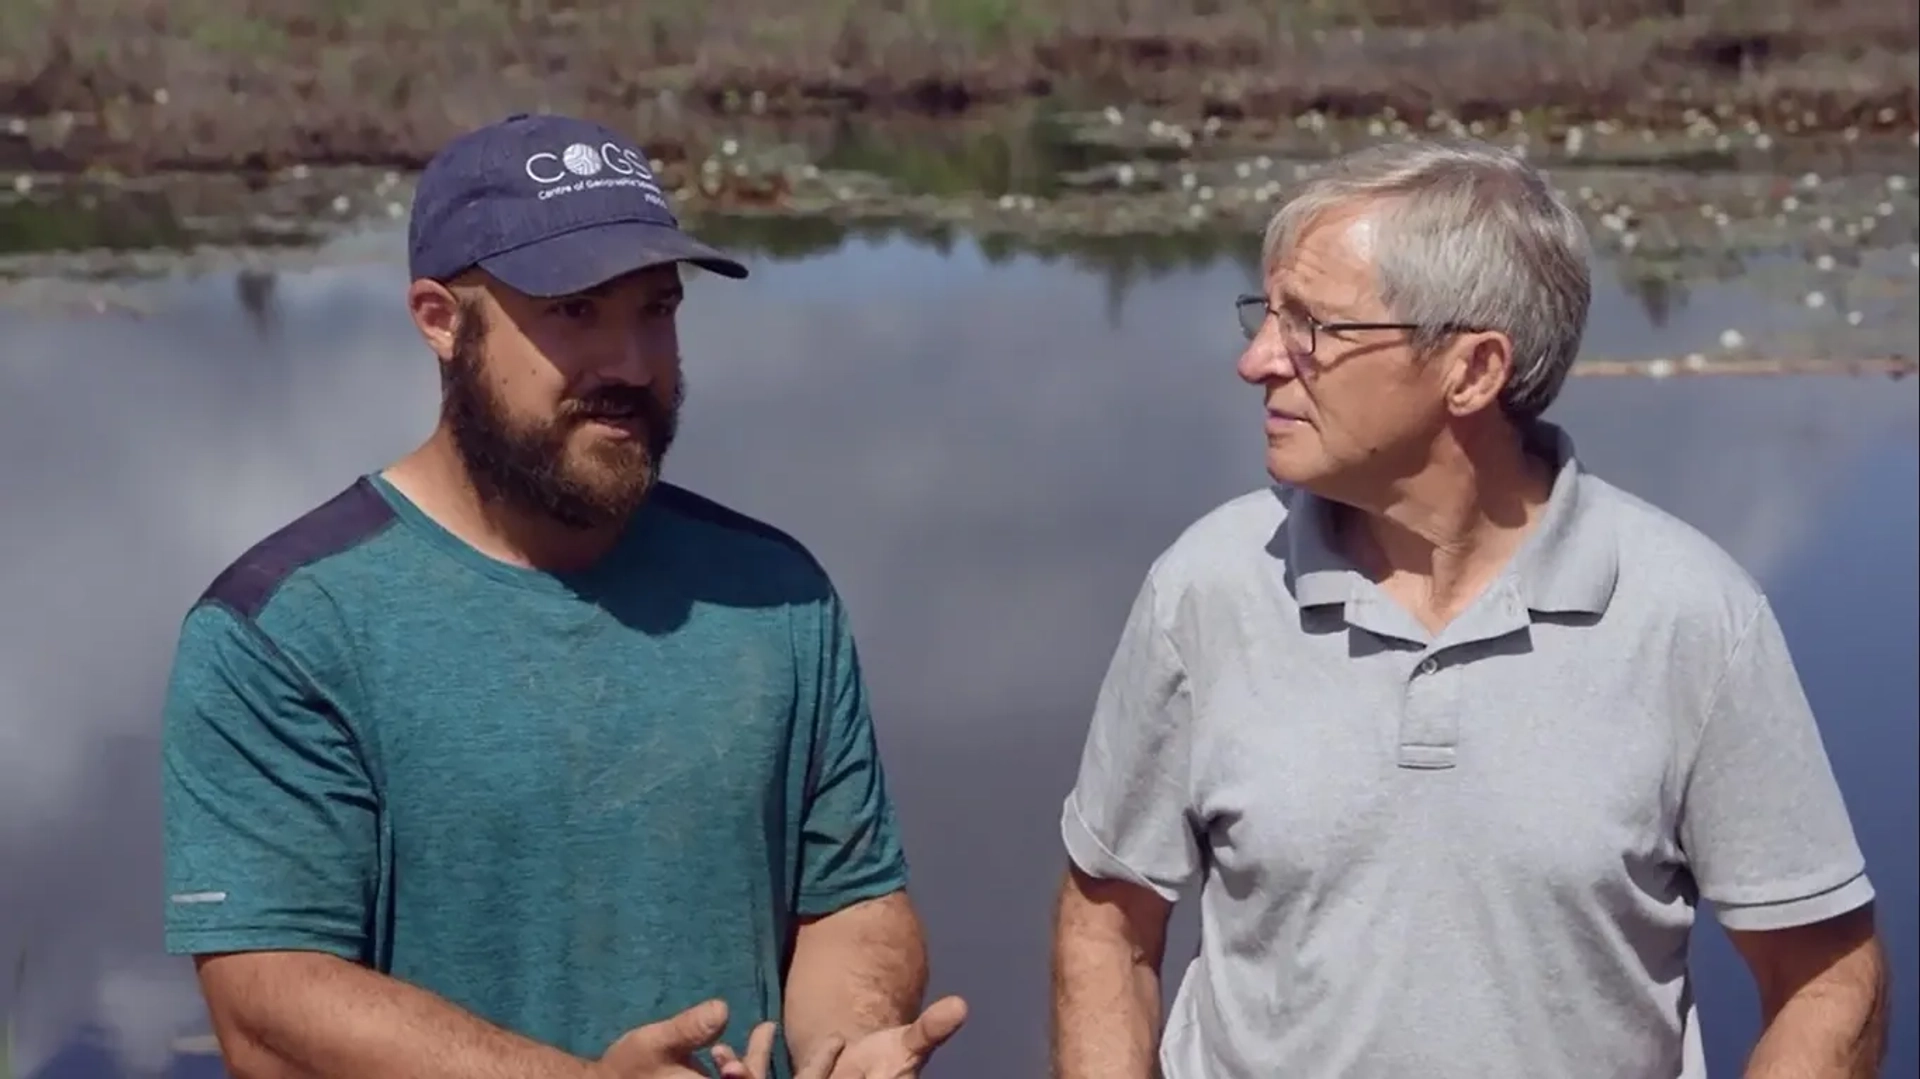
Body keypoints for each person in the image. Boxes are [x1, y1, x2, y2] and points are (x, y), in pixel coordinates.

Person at [1049, 137, 1889, 1078]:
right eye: (1268, 314)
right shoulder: (1204, 587)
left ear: (1474, 370)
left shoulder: (1695, 617)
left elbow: (1827, 979)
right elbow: (1107, 926)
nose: (1256, 360)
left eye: (1313, 327)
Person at [159, 112, 966, 1079]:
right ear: (440, 320)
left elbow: (851, 902)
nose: (629, 364)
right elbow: (269, 1006)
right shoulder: (282, 627)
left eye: (655, 308)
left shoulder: (777, 596)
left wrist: (847, 1042)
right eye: (575, 312)